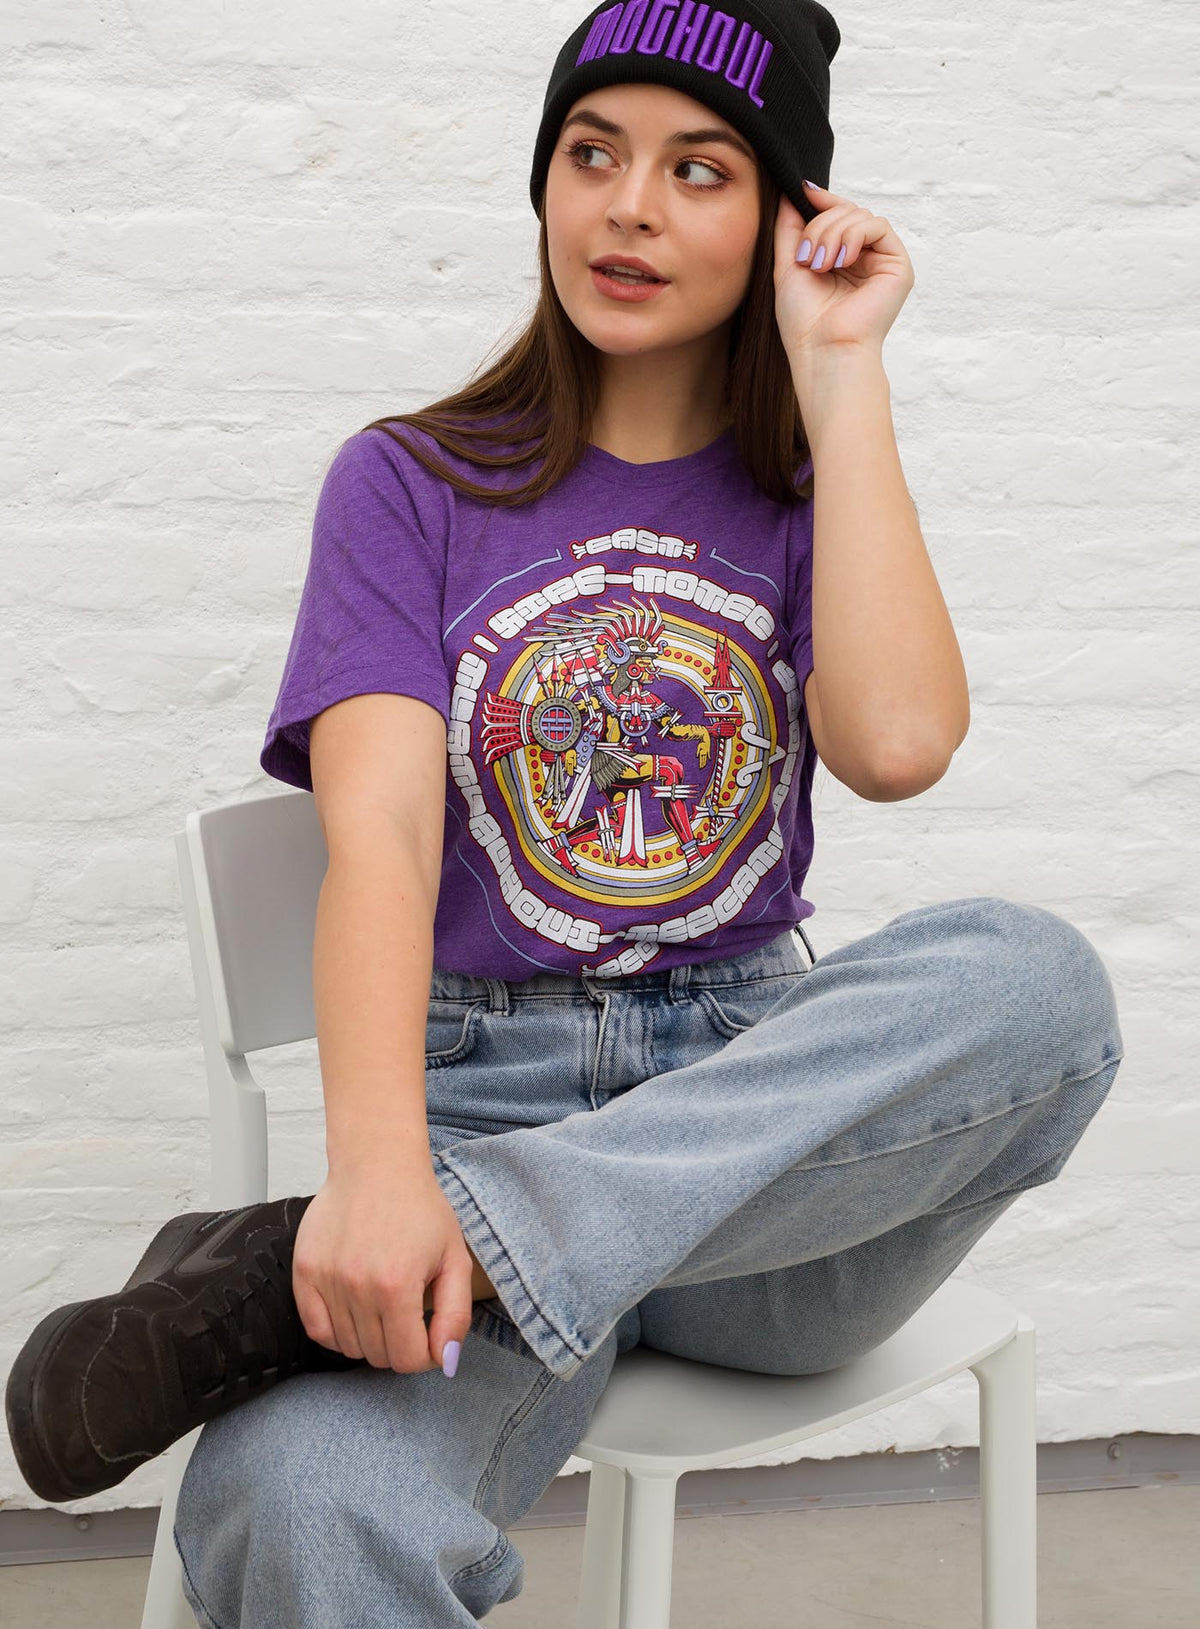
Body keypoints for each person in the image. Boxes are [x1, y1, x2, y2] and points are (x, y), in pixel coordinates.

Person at [5, 3, 1125, 1624]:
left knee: (1043, 986)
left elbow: (894, 744)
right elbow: (378, 837)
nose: (630, 207)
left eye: (701, 169)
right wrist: (385, 1170)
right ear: (543, 186)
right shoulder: (407, 484)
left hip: (756, 1158)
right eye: (592, 153)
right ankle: (466, 1222)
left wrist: (844, 375)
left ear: (784, 216)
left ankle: (380, 1252)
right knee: (292, 1498)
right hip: (479, 1100)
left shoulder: (811, 495)